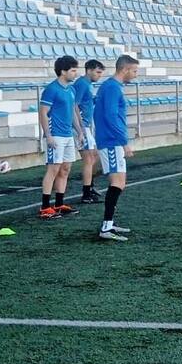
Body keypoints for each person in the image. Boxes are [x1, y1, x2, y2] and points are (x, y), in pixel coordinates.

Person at [94, 55, 139, 241]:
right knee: (117, 183)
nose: (135, 75)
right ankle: (106, 227)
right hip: (111, 141)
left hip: (111, 140)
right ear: (125, 69)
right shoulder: (112, 87)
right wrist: (123, 141)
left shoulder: (111, 86)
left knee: (119, 182)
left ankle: (109, 224)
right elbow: (111, 117)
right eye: (134, 71)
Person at [38, 55, 83, 219]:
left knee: (65, 169)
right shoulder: (51, 89)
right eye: (73, 70)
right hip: (56, 135)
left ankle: (59, 204)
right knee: (53, 169)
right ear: (63, 71)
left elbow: (72, 113)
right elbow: (43, 112)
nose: (76, 73)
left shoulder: (71, 90)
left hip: (68, 135)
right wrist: (48, 135)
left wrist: (79, 131)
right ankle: (45, 207)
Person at [72, 59, 105, 204]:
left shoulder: (87, 84)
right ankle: (86, 193)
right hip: (81, 127)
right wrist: (80, 128)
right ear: (89, 70)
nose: (99, 75)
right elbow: (74, 105)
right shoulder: (81, 84)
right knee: (89, 159)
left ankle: (90, 186)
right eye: (97, 72)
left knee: (94, 156)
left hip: (86, 126)